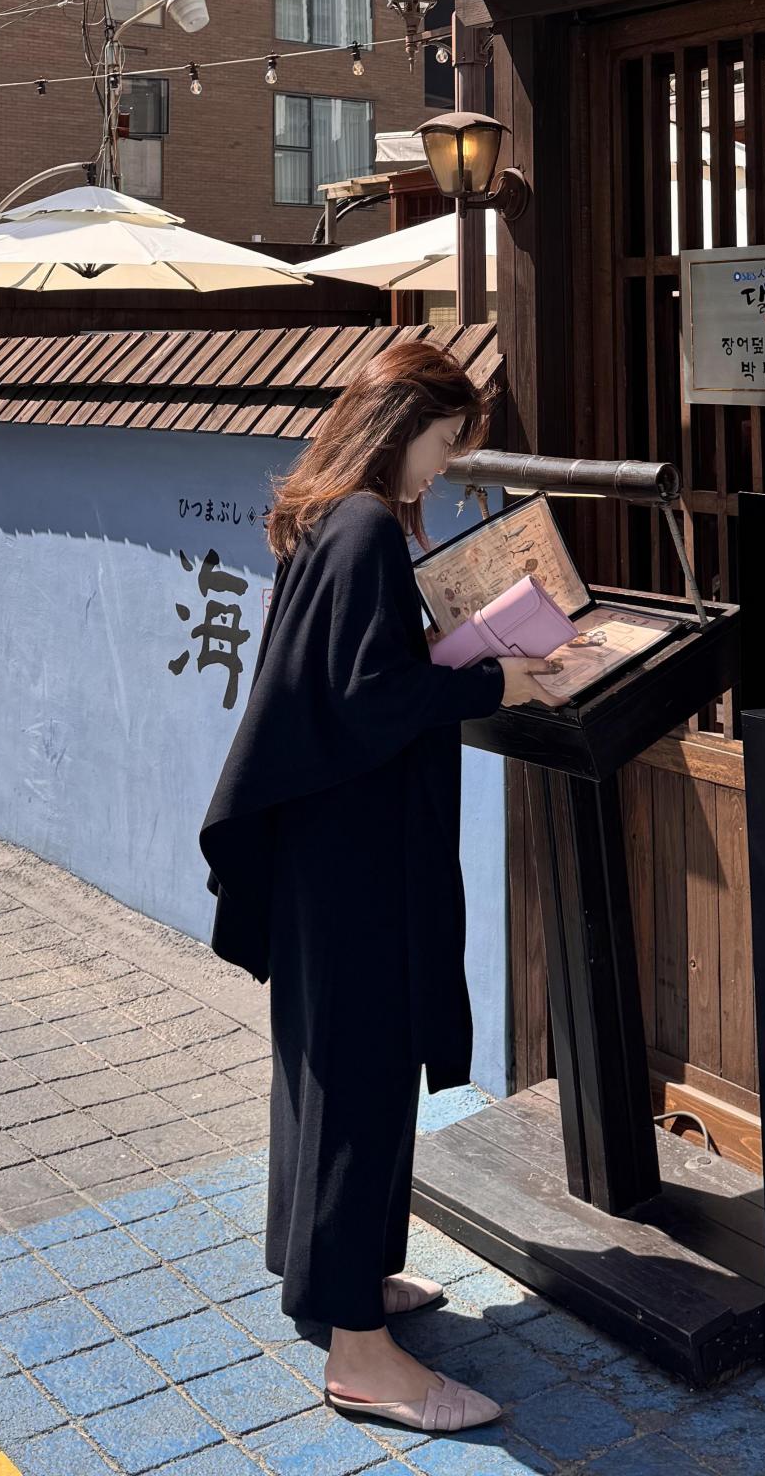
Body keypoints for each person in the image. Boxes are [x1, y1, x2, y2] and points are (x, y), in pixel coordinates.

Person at [198, 337, 555, 1434]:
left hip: (323, 848)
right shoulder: (363, 528)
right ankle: (361, 1358)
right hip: (358, 859)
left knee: (325, 1062)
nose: (444, 466)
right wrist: (494, 678)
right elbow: (367, 697)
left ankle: (331, 1279)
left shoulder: (326, 518)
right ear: (404, 426)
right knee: (360, 1073)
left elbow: (340, 683)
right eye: (445, 442)